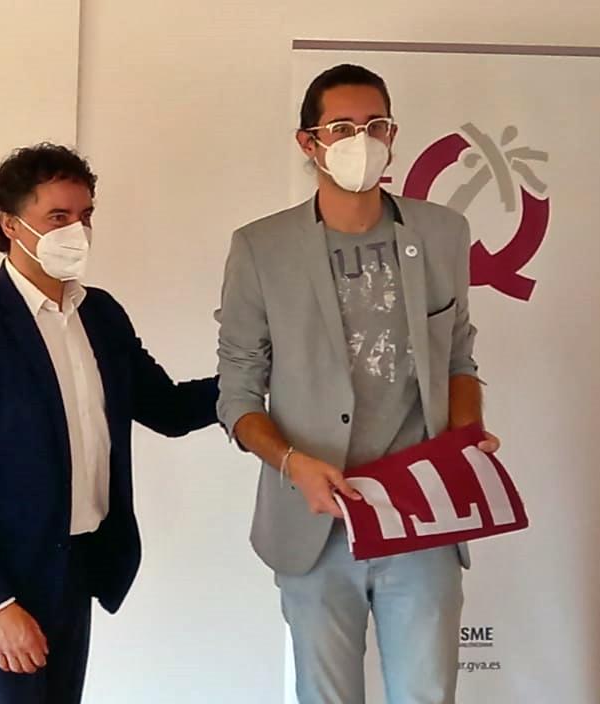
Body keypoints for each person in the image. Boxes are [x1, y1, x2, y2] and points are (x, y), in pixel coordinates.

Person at [216, 64, 500, 704]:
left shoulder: (441, 233)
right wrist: (292, 463)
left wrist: (466, 440)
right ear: (308, 142)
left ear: (393, 135)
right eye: (341, 128)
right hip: (316, 524)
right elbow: (238, 393)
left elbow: (458, 358)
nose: (361, 140)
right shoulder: (261, 248)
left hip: (422, 515)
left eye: (375, 126)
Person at [0, 143, 218, 704]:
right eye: (58, 217)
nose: (76, 231)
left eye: (85, 215)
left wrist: (256, 377)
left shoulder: (101, 315)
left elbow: (169, 409)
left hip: (78, 569)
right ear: (10, 224)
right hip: (3, 586)